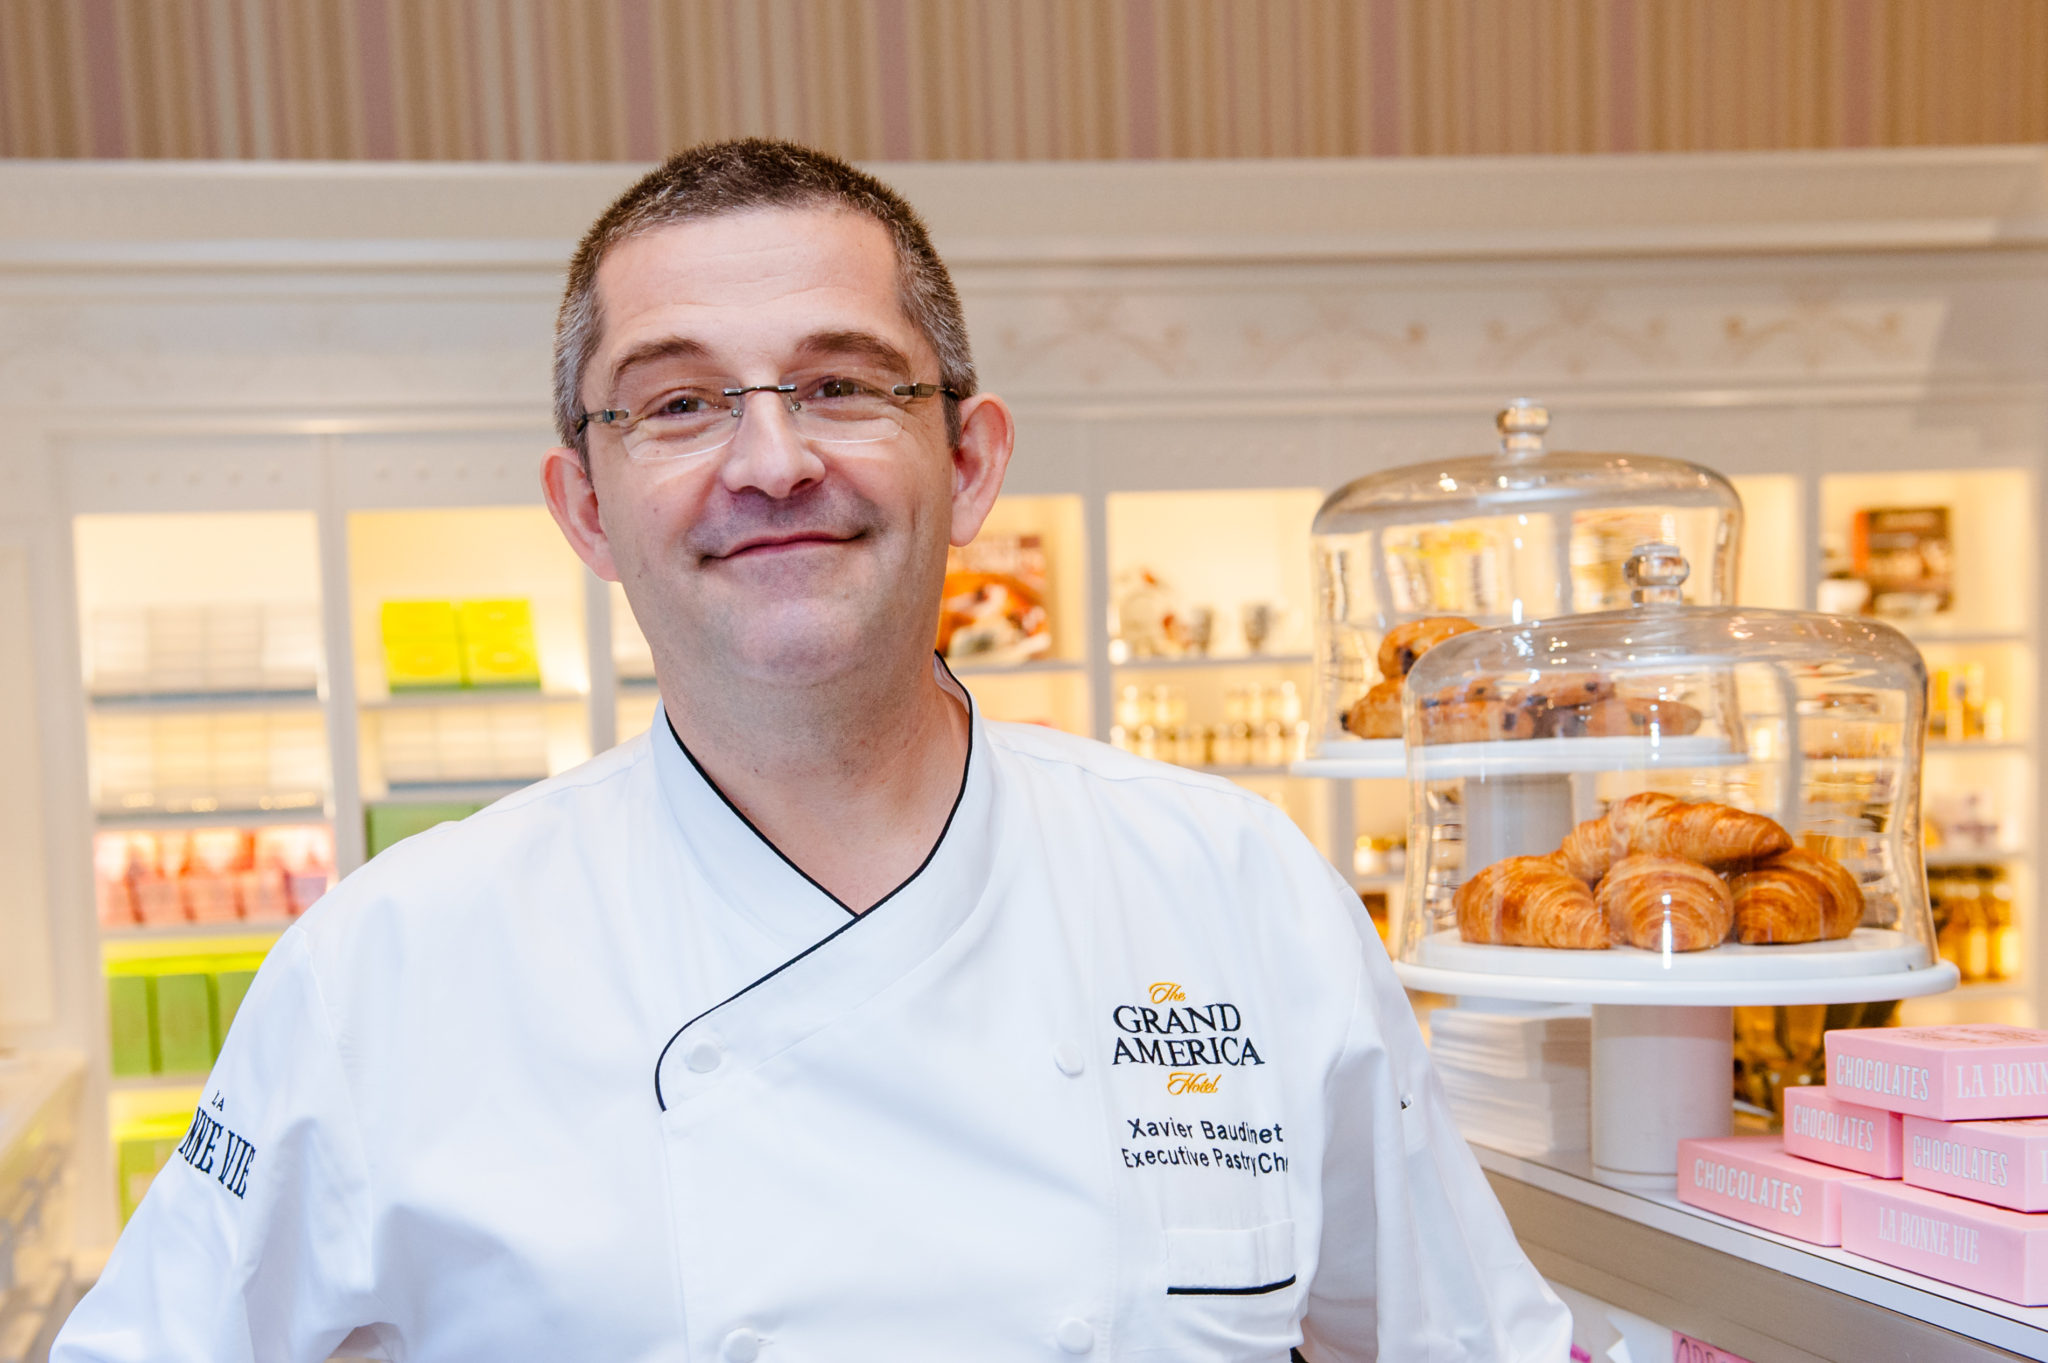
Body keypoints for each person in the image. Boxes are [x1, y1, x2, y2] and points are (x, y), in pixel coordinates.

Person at [54, 139, 1569, 1362]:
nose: (772, 461)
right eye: (679, 403)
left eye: (842, 384)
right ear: (587, 508)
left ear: (969, 464)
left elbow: (1464, 1340)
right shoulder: (385, 963)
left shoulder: (1231, 886)